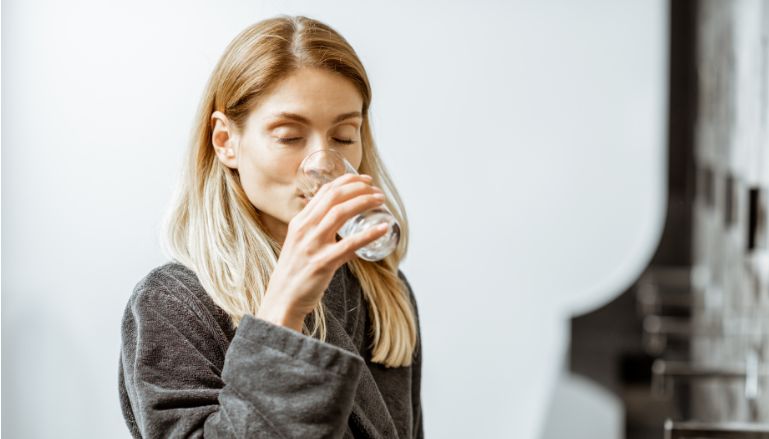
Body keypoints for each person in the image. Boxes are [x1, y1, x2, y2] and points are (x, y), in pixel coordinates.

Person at [117, 15, 423, 439]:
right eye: (288, 136)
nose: (321, 162)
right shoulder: (173, 304)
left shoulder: (382, 289)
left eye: (344, 135)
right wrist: (283, 314)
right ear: (225, 141)